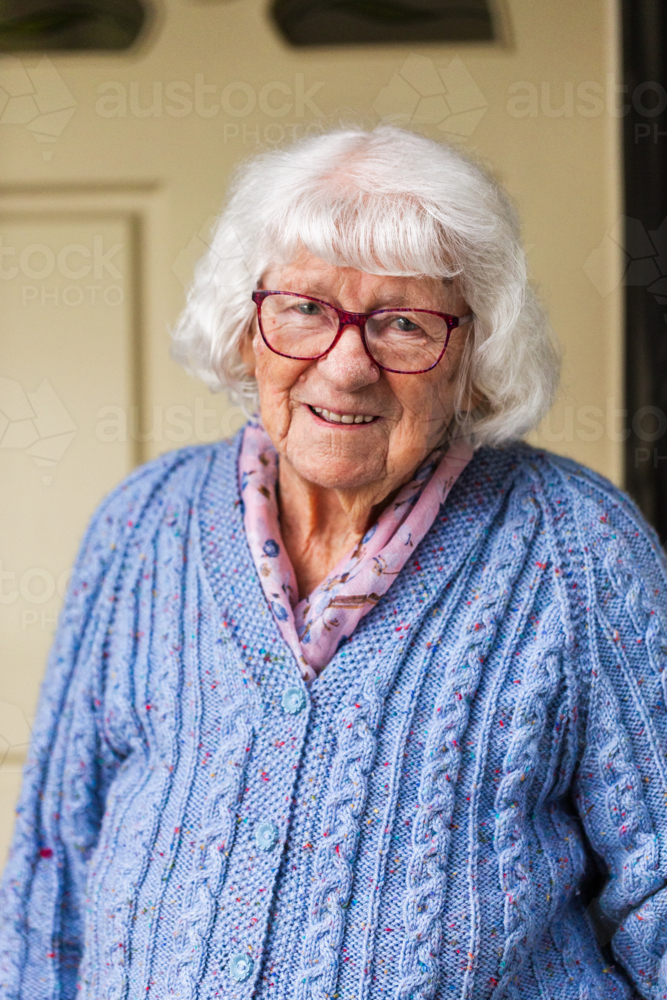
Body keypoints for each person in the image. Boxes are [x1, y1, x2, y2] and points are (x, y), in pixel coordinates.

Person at [1, 126, 665, 1000]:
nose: (345, 366)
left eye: (402, 324)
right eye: (306, 309)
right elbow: (55, 864)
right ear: (247, 328)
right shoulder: (142, 524)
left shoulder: (579, 546)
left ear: (472, 355)